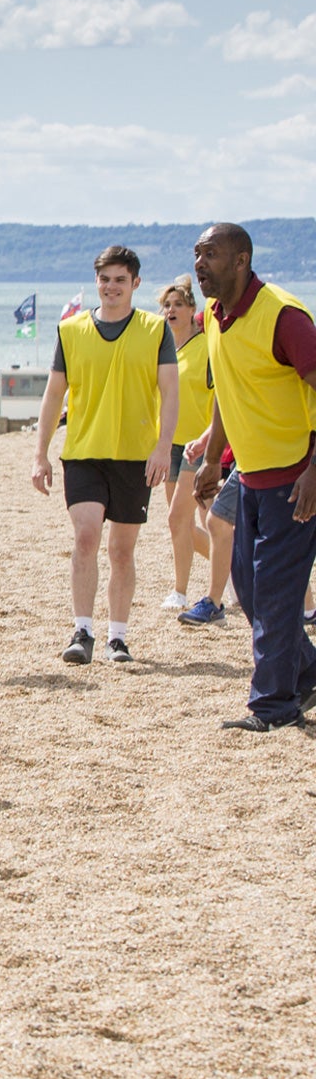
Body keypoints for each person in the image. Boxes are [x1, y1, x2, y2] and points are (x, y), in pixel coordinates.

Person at [187, 223, 316, 731]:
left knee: (278, 596)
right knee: (251, 591)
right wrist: (213, 457)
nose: (200, 264)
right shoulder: (215, 318)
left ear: (241, 260)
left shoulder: (283, 316)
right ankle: (305, 670)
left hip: (296, 478)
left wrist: (314, 468)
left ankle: (272, 707)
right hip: (251, 474)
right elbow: (228, 391)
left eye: (211, 254)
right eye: (197, 254)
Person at [32, 246, 178, 666]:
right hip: (84, 452)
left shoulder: (154, 329)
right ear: (96, 282)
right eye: (104, 279)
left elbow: (170, 392)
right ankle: (83, 631)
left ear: (135, 283)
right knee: (86, 536)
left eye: (119, 279)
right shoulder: (72, 330)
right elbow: (53, 395)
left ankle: (118, 637)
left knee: (122, 551)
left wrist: (163, 447)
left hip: (136, 455)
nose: (111, 287)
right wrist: (39, 454)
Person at [158, 277, 214, 613]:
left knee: (179, 518)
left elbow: (222, 395)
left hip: (201, 444)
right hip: (170, 445)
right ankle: (235, 568)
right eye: (167, 305)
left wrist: (212, 438)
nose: (172, 310)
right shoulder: (162, 350)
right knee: (180, 522)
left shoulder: (207, 345)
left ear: (193, 309)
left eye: (179, 304)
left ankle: (179, 592)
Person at [181, 452, 240, 626]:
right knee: (217, 521)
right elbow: (224, 423)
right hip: (244, 459)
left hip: (270, 458)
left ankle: (306, 609)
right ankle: (215, 601)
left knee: (218, 521)